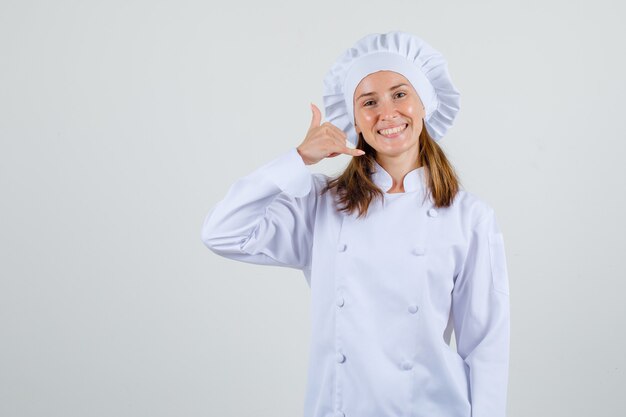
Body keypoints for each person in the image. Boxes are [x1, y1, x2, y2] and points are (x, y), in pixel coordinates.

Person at [201, 31, 510, 417]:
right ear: (354, 121)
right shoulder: (321, 206)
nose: (387, 113)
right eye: (369, 102)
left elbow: (485, 346)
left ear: (425, 103)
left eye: (400, 94)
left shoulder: (469, 216)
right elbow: (221, 232)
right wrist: (298, 159)